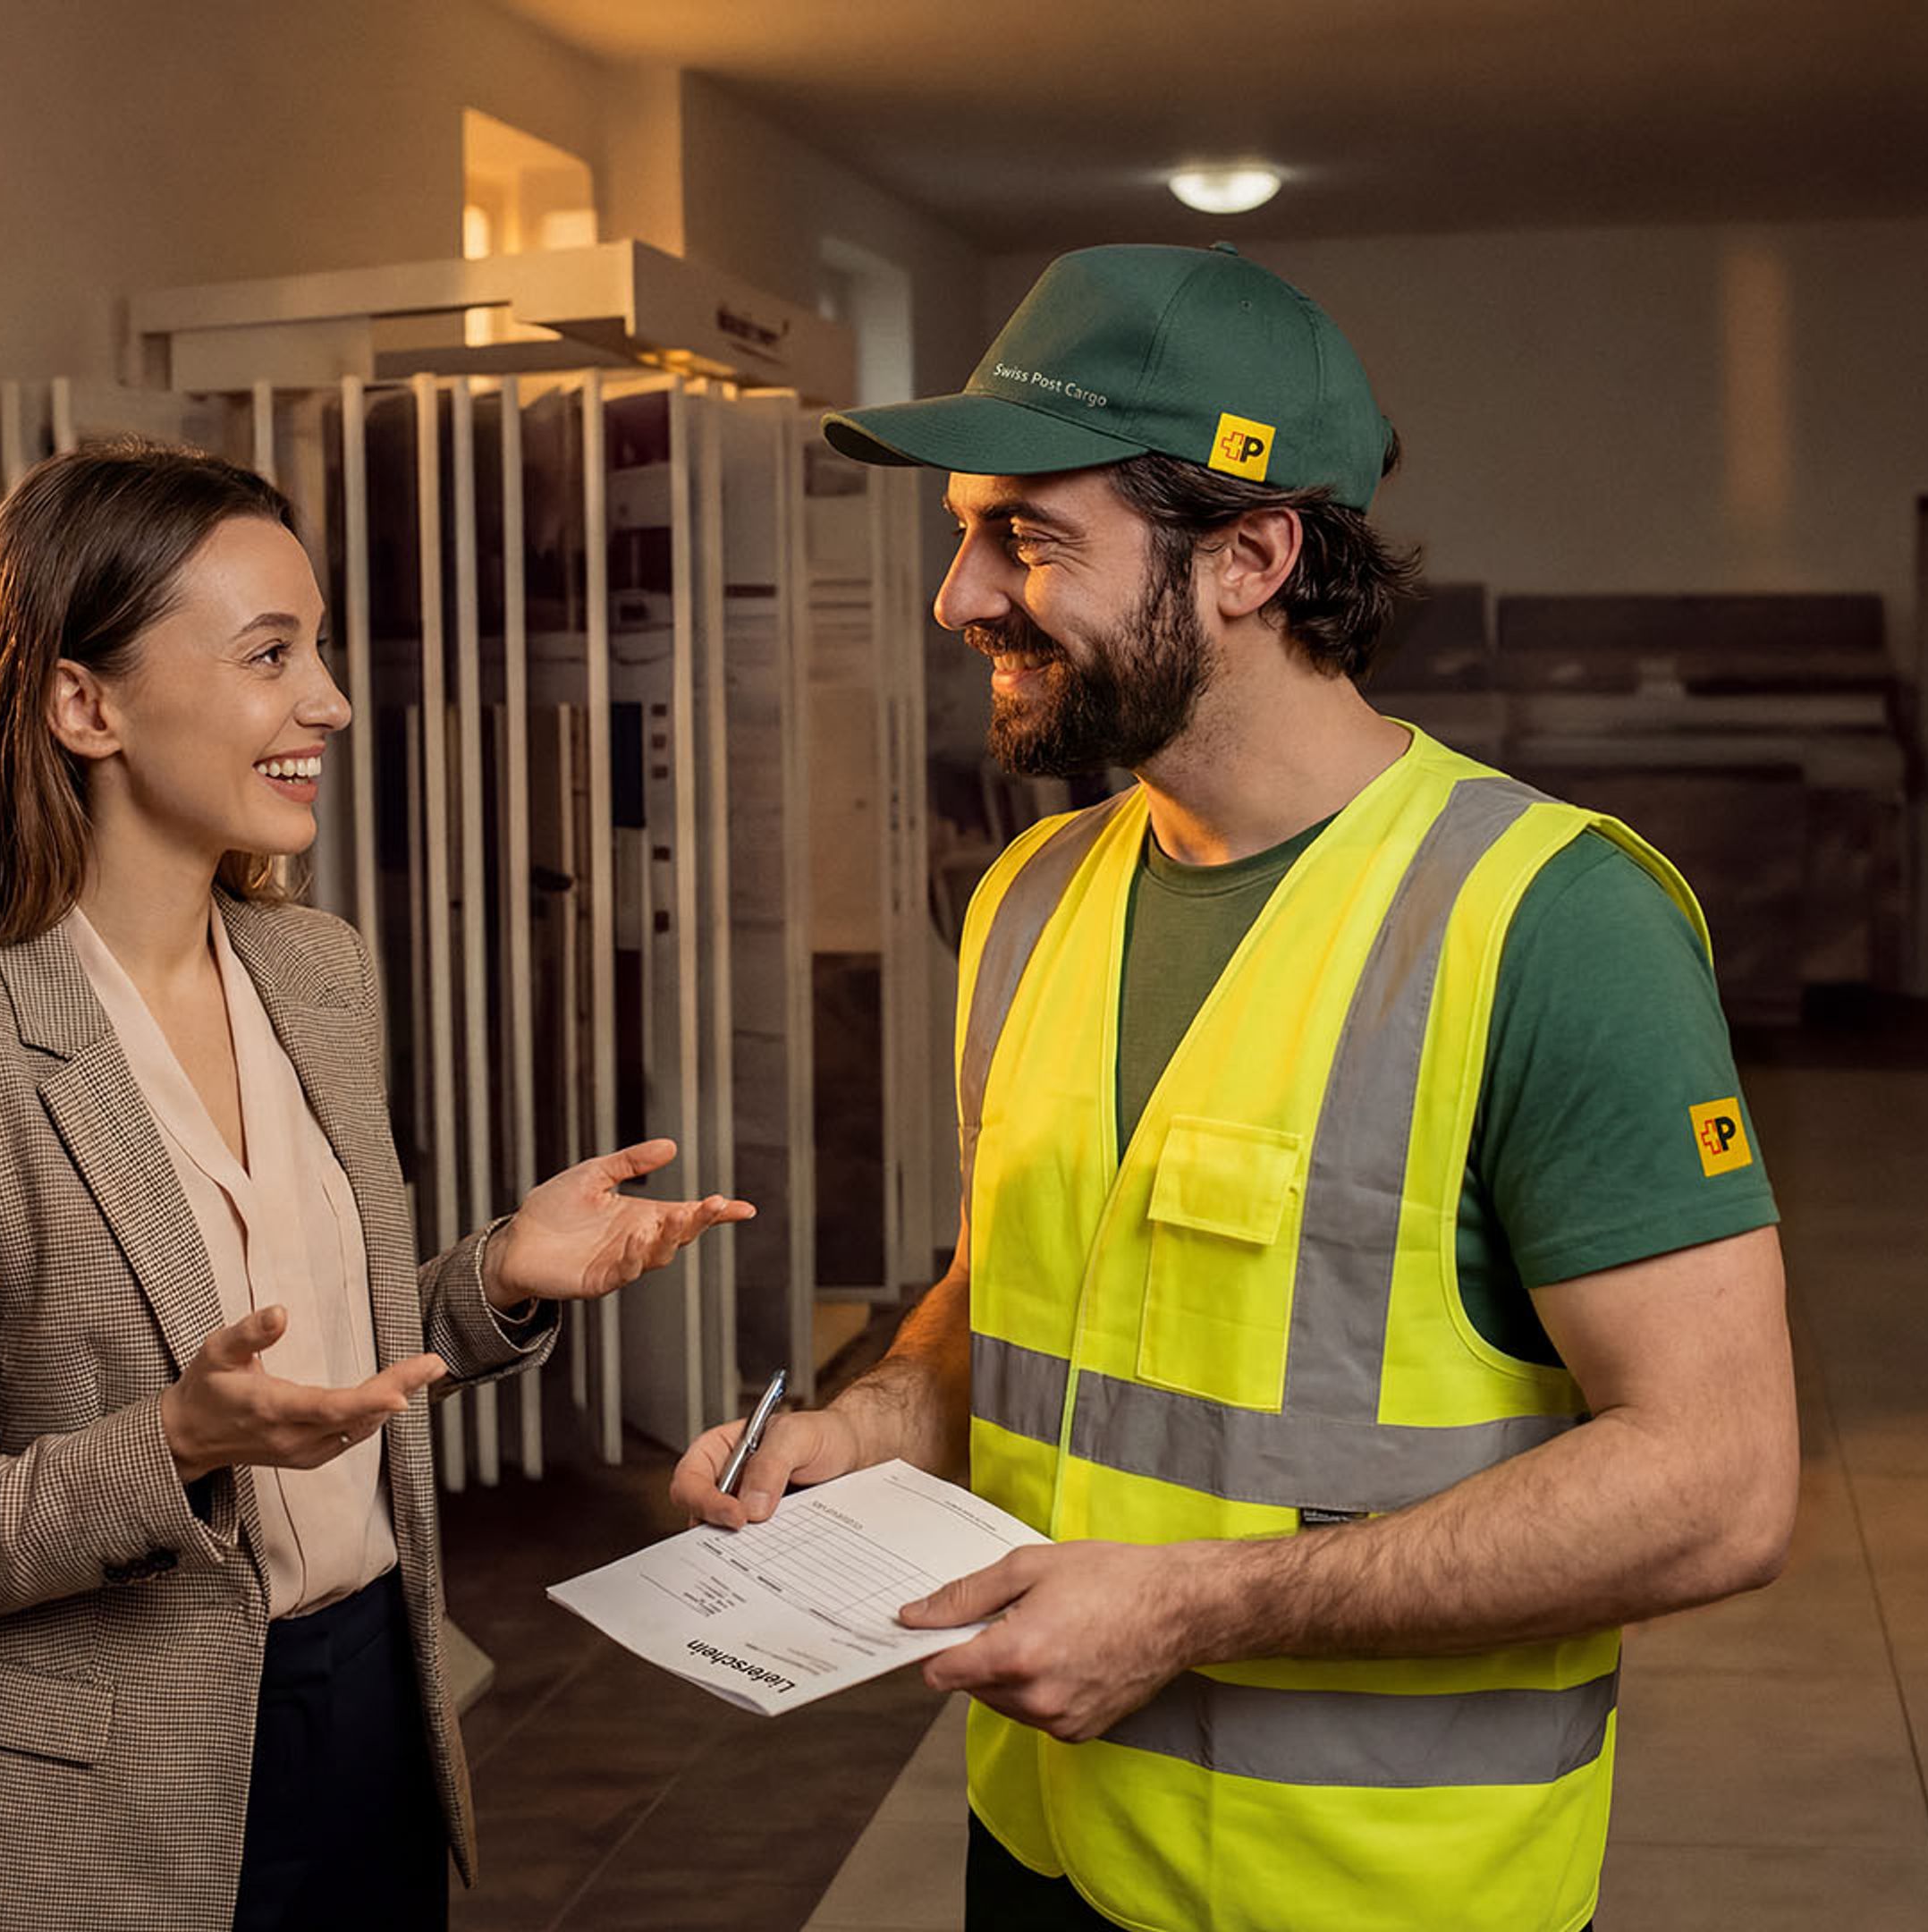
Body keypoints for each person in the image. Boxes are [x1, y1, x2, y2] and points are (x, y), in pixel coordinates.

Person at [672, 244, 1798, 1932]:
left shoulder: (1552, 923)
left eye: (1028, 538)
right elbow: (1008, 1303)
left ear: (1252, 557)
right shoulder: (1031, 896)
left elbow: (1717, 1488)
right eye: (968, 533)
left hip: (1370, 1892)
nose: (958, 596)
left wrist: (1194, 1607)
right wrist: (867, 1432)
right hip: (1045, 1840)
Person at [0, 439, 751, 1932]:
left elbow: (313, 1367)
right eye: (270, 655)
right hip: (105, 1803)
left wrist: (497, 1274)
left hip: (377, 1704)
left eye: (320, 651)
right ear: (83, 703)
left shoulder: (317, 972)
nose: (330, 703)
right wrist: (172, 1443)